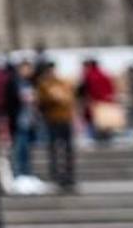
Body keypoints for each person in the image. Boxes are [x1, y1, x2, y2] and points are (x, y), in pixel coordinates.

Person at [36, 63, 77, 191]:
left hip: (65, 119)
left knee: (68, 148)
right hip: (52, 120)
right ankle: (55, 173)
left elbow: (69, 97)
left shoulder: (62, 83)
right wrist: (53, 98)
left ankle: (69, 173)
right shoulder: (43, 85)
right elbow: (41, 102)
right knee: (53, 148)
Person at [6, 60, 41, 187]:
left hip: (30, 120)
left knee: (27, 149)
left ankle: (27, 173)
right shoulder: (13, 83)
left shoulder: (32, 83)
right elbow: (9, 102)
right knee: (19, 149)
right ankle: (18, 174)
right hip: (19, 120)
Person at [79, 58, 118, 143]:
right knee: (105, 120)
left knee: (96, 120)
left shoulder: (89, 75)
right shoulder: (104, 74)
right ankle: (107, 136)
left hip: (95, 102)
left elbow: (87, 90)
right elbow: (111, 88)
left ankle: (99, 136)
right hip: (106, 101)